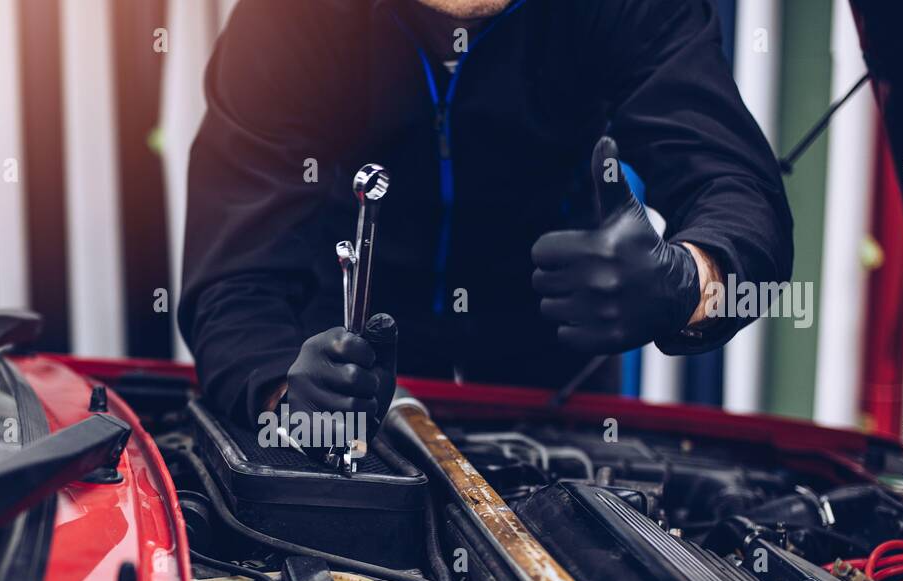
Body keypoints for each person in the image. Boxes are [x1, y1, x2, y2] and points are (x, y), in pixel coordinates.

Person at [179, 0, 792, 448]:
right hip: (346, 367)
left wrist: (689, 281)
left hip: (556, 368)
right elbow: (235, 279)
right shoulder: (284, 15)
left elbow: (736, 190)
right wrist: (285, 396)